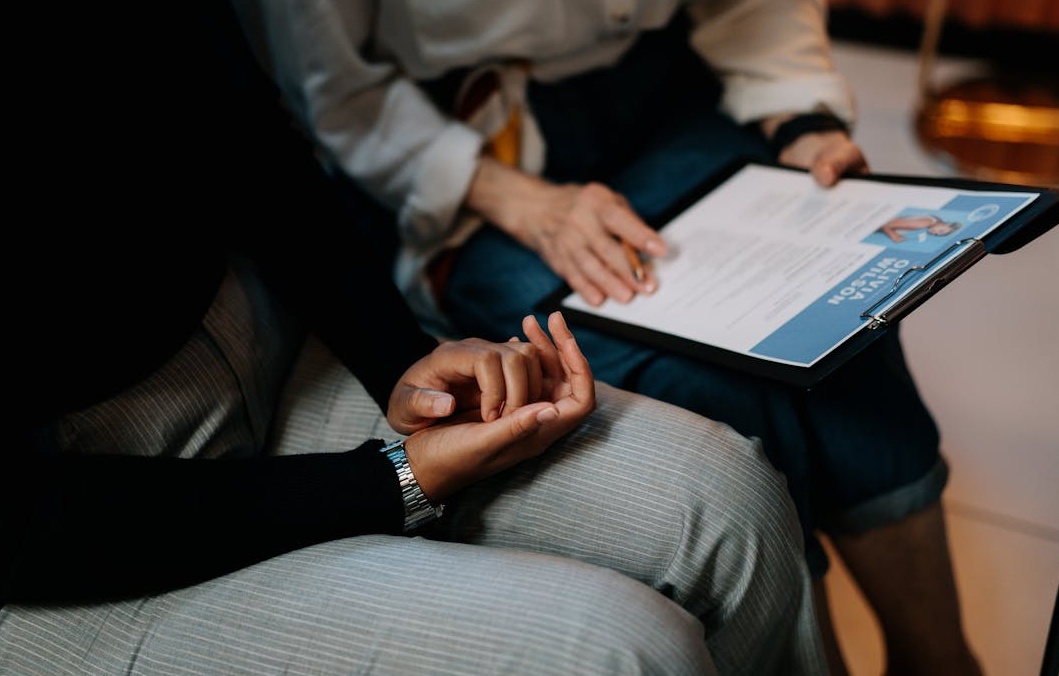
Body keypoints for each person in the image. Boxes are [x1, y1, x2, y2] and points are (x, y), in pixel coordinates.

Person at [1, 2, 829, 674]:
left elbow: (249, 137)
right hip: (68, 529)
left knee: (731, 500)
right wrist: (393, 480)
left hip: (274, 345)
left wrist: (404, 363)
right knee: (624, 651)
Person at [230, 1, 984, 673]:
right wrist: (520, 201)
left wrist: (801, 121)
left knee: (838, 321)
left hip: (657, 89)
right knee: (694, 382)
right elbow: (336, 88)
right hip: (458, 144)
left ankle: (940, 658)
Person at [879, 213, 963, 243]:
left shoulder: (929, 222)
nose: (935, 233)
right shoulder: (925, 223)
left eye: (937, 234)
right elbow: (886, 225)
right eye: (941, 231)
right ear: (945, 224)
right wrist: (895, 237)